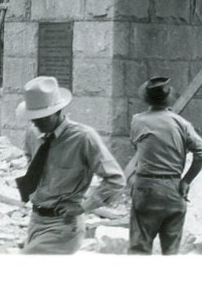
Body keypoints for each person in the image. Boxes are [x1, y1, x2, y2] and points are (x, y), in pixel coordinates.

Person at [14, 75, 124, 254]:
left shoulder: (83, 138)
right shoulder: (32, 134)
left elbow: (115, 179)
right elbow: (31, 161)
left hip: (63, 225)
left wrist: (83, 206)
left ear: (58, 112)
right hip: (36, 220)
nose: (36, 122)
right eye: (33, 118)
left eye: (42, 118)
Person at [127, 76, 202, 255]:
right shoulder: (181, 123)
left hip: (146, 188)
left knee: (139, 249)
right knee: (171, 252)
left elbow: (137, 148)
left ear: (147, 98)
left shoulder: (138, 121)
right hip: (174, 189)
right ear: (168, 97)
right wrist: (186, 181)